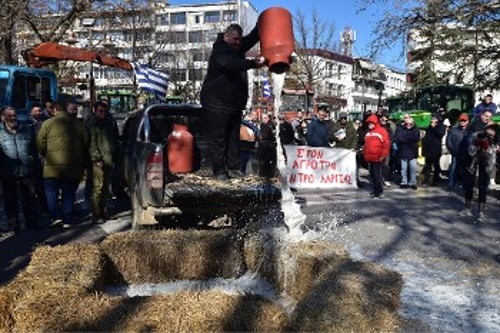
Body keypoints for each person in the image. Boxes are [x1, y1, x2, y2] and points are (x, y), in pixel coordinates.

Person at [200, 23, 264, 181]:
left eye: (239, 40)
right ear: (226, 36)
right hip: (216, 104)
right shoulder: (220, 51)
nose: (238, 43)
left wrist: (260, 25)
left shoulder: (236, 48)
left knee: (233, 137)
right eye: (235, 39)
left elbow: (250, 39)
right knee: (219, 140)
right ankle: (220, 171)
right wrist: (253, 63)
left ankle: (234, 168)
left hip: (233, 105)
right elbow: (231, 64)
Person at [37, 101, 89, 229]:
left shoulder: (47, 123)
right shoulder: (78, 124)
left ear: (55, 109)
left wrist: (46, 153)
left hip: (52, 165)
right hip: (73, 166)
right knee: (69, 193)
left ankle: (55, 217)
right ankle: (67, 219)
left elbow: (40, 143)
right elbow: (86, 142)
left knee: (51, 191)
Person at [0, 107, 38, 233]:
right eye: (9, 116)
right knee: (10, 200)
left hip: (27, 170)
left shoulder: (26, 129)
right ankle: (14, 224)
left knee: (30, 198)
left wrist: (33, 162)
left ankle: (31, 222)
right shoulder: (0, 132)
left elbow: (34, 147)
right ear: (3, 118)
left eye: (14, 115)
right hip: (8, 172)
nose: (12, 118)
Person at [459, 124, 498, 221]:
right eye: (489, 130)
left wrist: (486, 146)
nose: (490, 133)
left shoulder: (495, 139)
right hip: (473, 163)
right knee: (469, 185)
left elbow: (492, 155)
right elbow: (470, 151)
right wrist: (477, 144)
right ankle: (467, 208)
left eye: (492, 131)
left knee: (482, 186)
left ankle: (481, 211)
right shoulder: (476, 135)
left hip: (485, 164)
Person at [27, 104, 49, 213]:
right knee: (35, 184)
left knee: (44, 183)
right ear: (31, 112)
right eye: (36, 111)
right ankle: (37, 207)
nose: (38, 113)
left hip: (43, 156)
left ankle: (45, 205)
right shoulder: (27, 124)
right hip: (33, 156)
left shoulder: (45, 122)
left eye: (40, 111)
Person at [363, 114, 391, 198]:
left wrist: (383, 155)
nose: (369, 125)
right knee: (372, 174)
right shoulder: (369, 133)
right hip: (370, 157)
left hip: (378, 157)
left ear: (374, 122)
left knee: (377, 174)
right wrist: (364, 153)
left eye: (371, 123)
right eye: (369, 123)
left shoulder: (382, 131)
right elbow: (366, 145)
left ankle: (379, 191)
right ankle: (376, 190)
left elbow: (386, 144)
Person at [394, 117, 420, 190]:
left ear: (413, 123)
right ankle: (404, 182)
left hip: (413, 152)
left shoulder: (416, 129)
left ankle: (413, 183)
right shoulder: (400, 129)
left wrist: (405, 138)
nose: (408, 125)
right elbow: (399, 139)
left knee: (413, 168)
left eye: (410, 124)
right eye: (407, 124)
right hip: (403, 151)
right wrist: (410, 139)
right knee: (403, 169)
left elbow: (416, 139)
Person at [446, 113, 469, 191]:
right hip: (455, 154)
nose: (462, 122)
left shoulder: (470, 131)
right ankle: (450, 186)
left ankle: (465, 187)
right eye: (461, 120)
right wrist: (453, 151)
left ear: (467, 121)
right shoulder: (453, 130)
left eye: (464, 121)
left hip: (466, 154)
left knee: (465, 171)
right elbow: (448, 141)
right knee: (453, 170)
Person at [422, 116, 446, 186]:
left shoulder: (440, 126)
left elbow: (441, 134)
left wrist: (433, 127)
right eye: (432, 119)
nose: (433, 120)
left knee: (436, 165)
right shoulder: (429, 126)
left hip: (436, 149)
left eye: (434, 119)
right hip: (428, 149)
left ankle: (435, 180)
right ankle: (426, 179)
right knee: (427, 165)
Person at [257, 113, 276, 178]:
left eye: (265, 118)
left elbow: (267, 135)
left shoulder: (270, 125)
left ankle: (268, 174)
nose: (263, 120)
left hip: (269, 146)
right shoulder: (262, 125)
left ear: (268, 118)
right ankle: (263, 173)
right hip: (263, 146)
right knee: (263, 161)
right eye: (263, 118)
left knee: (268, 161)